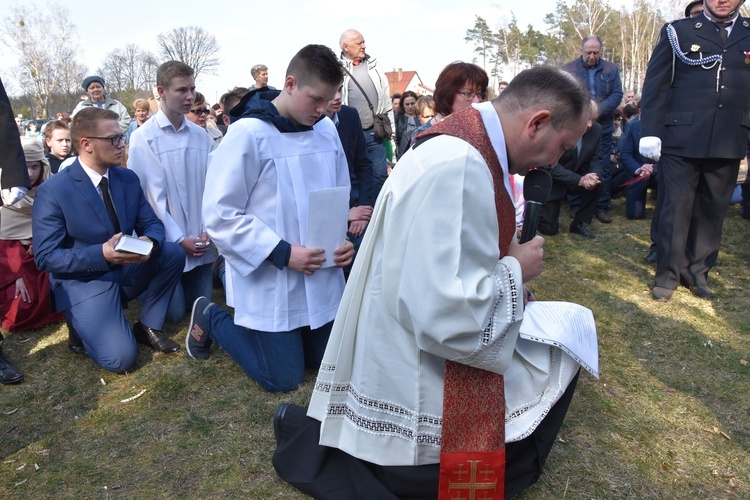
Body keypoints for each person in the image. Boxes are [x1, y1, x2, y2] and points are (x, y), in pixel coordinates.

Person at [271, 66, 589, 499]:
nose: (554, 162)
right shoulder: (460, 164)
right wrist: (516, 271)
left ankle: (307, 429)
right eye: (562, 146)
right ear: (536, 122)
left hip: (396, 330)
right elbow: (446, 315)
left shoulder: (464, 145)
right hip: (412, 358)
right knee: (564, 349)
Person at [187, 44, 354, 393]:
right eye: (316, 99)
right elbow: (220, 215)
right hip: (272, 276)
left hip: (321, 272)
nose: (323, 110)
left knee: (329, 365)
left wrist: (344, 242)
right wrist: (282, 252)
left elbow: (339, 194)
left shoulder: (325, 131)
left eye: (329, 100)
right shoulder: (250, 134)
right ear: (290, 84)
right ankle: (212, 317)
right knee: (283, 378)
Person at [32, 107, 185, 374]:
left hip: (125, 268)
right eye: (113, 139)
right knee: (122, 360)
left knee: (172, 253)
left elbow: (151, 223)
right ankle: (78, 327)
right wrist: (101, 253)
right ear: (86, 144)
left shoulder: (126, 178)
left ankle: (148, 326)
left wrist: (149, 242)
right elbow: (46, 257)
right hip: (84, 280)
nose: (122, 144)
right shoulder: (54, 191)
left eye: (122, 137)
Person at [639, 0, 750, 301]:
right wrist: (650, 131)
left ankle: (697, 273)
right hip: (682, 137)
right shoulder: (678, 31)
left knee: (713, 210)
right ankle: (668, 275)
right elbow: (656, 85)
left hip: (729, 137)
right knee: (675, 208)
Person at [128, 61, 216, 325]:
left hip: (199, 239)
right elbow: (148, 198)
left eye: (192, 89)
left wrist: (206, 230)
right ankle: (144, 280)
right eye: (181, 90)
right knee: (175, 314)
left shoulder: (201, 137)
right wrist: (178, 239)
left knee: (201, 307)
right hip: (170, 241)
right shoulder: (145, 138)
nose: (189, 96)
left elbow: (211, 188)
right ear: (161, 92)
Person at [1, 139, 64, 333]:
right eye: (23, 167)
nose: (29, 173)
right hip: (12, 263)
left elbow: (62, 227)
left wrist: (42, 240)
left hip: (46, 256)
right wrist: (16, 275)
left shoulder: (54, 191)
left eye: (34, 167)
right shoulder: (5, 199)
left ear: (43, 166)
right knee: (20, 306)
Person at [562, 35, 623, 223]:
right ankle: (576, 204)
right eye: (588, 52)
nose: (592, 56)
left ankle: (601, 206)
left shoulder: (611, 69)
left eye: (596, 52)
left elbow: (617, 94)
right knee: (576, 163)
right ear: (581, 50)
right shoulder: (569, 70)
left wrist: (597, 111)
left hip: (603, 125)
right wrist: (584, 113)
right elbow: (564, 94)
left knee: (603, 165)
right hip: (576, 124)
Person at [325, 86, 375, 274]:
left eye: (340, 89)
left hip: (356, 206)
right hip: (328, 214)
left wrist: (364, 209)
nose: (338, 97)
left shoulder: (349, 115)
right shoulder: (305, 122)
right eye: (332, 91)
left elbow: (363, 165)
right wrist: (344, 214)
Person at [538, 100, 604, 239]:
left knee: (598, 184)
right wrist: (579, 180)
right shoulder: (558, 128)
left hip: (578, 177)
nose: (590, 124)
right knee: (549, 229)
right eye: (587, 119)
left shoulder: (597, 130)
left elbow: (597, 158)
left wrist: (593, 176)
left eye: (593, 120)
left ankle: (579, 223)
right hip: (554, 181)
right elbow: (548, 166)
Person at [339, 29, 393, 196]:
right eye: (359, 43)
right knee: (353, 174)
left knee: (380, 174)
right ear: (345, 47)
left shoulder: (375, 66)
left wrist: (391, 129)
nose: (364, 46)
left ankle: (376, 212)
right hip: (350, 133)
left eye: (363, 42)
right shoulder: (336, 69)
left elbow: (386, 96)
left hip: (374, 132)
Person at [394, 90, 421, 159]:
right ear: (403, 105)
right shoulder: (397, 118)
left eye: (412, 103)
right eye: (407, 104)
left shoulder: (422, 117)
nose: (410, 107)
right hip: (403, 152)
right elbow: (396, 137)